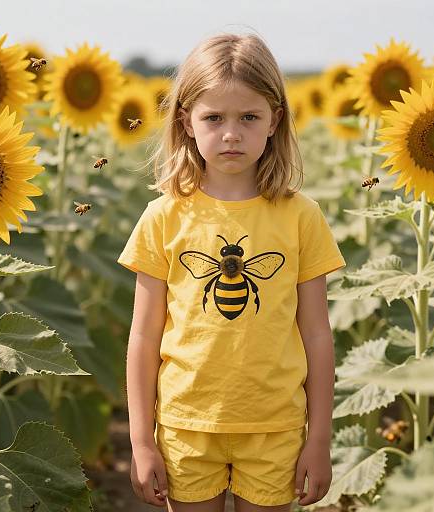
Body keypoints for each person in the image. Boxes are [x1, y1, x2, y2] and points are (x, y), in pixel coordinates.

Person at [117, 31, 346, 512]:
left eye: (248, 117)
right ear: (186, 122)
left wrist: (320, 438)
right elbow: (143, 336)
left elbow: (318, 334)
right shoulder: (163, 218)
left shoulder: (300, 217)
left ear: (274, 121)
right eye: (214, 118)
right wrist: (141, 440)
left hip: (275, 426)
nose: (230, 133)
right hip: (186, 424)